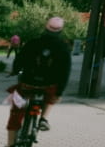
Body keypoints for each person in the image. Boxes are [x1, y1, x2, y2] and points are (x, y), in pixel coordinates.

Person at [6, 17, 72, 145]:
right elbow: (65, 72)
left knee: (16, 114)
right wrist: (59, 92)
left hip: (27, 84)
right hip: (49, 86)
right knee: (52, 97)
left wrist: (15, 70)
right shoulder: (63, 48)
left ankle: (10, 144)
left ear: (45, 27)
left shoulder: (32, 43)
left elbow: (19, 60)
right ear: (60, 31)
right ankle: (44, 119)